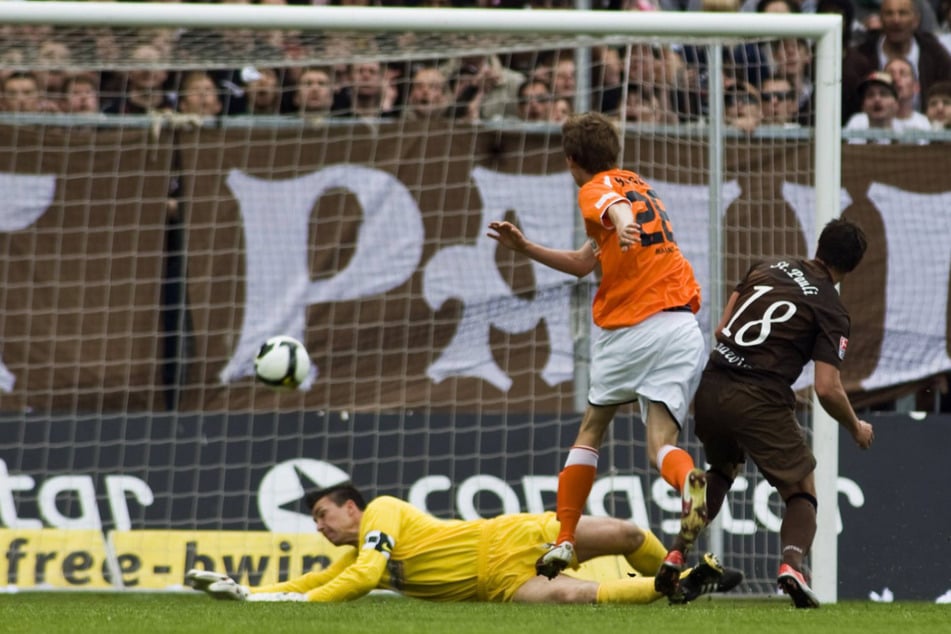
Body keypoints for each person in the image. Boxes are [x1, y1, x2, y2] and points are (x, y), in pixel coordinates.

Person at [487, 112, 708, 598]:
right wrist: (526, 247)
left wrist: (624, 225)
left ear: (571, 161)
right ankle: (688, 478)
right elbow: (586, 261)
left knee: (593, 426)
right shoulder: (642, 185)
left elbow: (612, 209)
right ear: (616, 150)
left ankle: (565, 540)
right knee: (660, 443)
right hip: (682, 324)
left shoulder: (595, 189)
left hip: (632, 327)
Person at [688, 218, 875, 609]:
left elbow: (722, 330)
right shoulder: (832, 309)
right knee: (803, 488)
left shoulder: (765, 265)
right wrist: (855, 426)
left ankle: (675, 554)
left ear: (819, 244)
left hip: (710, 388)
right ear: (852, 267)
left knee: (721, 470)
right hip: (757, 397)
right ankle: (791, 567)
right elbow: (826, 388)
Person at [185, 483, 742, 604]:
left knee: (624, 534)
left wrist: (290, 602)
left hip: (509, 535)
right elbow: (316, 579)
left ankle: (682, 570)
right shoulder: (365, 556)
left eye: (322, 514)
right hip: (496, 584)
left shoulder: (381, 513)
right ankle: (687, 585)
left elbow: (344, 585)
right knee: (574, 600)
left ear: (350, 507)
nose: (319, 527)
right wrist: (252, 593)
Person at [844, 71, 901, 143]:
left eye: (883, 94)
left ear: (896, 104)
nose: (877, 99)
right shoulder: (854, 138)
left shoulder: (907, 137)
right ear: (863, 105)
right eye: (870, 95)